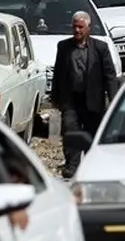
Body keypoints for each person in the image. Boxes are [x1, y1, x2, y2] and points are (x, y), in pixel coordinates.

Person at [50, 11, 120, 178]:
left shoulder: (100, 48)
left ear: (88, 28)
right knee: (70, 131)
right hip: (71, 100)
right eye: (74, 27)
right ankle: (72, 166)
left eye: (80, 27)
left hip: (93, 100)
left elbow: (109, 76)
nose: (77, 30)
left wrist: (114, 100)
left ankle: (91, 165)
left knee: (92, 134)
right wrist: (55, 98)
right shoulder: (63, 47)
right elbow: (58, 73)